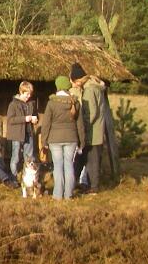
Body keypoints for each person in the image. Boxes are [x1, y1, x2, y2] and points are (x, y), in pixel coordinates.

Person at [39, 76, 86, 201]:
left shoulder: (52, 103)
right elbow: (80, 125)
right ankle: (68, 194)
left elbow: (46, 124)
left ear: (58, 86)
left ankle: (58, 195)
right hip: (71, 138)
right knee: (69, 165)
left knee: (58, 166)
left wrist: (44, 141)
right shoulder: (75, 102)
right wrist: (82, 142)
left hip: (54, 139)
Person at [70, 62, 110, 194]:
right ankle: (76, 181)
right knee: (82, 158)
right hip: (95, 131)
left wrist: (83, 128)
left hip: (92, 133)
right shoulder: (94, 87)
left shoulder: (89, 90)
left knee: (92, 160)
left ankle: (94, 187)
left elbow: (90, 113)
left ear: (78, 80)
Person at [5, 81, 38, 177]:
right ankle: (14, 176)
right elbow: (10, 120)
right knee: (16, 157)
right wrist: (24, 119)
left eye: (30, 94)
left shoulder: (32, 104)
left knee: (29, 157)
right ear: (21, 92)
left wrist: (35, 119)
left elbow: (35, 115)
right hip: (17, 134)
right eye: (27, 94)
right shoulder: (13, 104)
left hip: (29, 133)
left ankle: (28, 176)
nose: (29, 96)